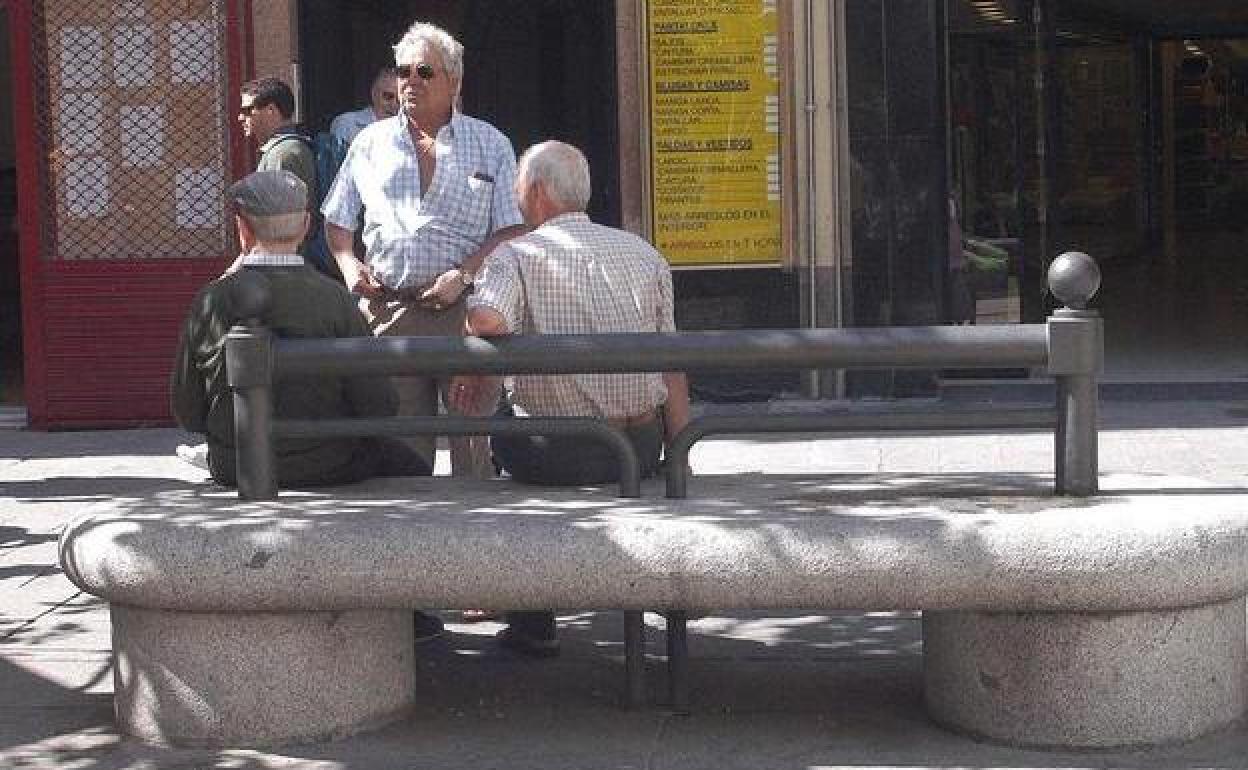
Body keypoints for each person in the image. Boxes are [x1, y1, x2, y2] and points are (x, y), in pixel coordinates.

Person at [450, 140, 691, 657]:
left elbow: (490, 320)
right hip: (641, 442)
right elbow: (672, 364)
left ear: (536, 192)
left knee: (502, 426)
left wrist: (470, 304)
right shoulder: (645, 253)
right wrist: (680, 451)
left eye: (518, 184)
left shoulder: (514, 255)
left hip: (555, 450)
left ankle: (533, 620)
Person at [321, 21, 527, 478]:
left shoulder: (490, 143)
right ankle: (405, 546)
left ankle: (477, 544)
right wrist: (348, 263)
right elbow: (336, 223)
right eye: (402, 72)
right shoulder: (369, 142)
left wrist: (465, 274)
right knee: (398, 454)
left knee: (471, 450)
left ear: (454, 81)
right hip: (389, 311)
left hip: (466, 315)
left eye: (424, 72)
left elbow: (511, 231)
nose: (410, 82)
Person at [171, 170, 431, 488]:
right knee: (411, 464)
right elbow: (379, 403)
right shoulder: (333, 298)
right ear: (307, 225)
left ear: (243, 229)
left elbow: (188, 410)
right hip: (327, 461)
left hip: (236, 464)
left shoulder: (211, 298)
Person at [330, 66, 399, 145]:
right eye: (388, 96)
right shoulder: (347, 124)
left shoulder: (406, 130)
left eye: (400, 100)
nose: (394, 104)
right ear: (374, 94)